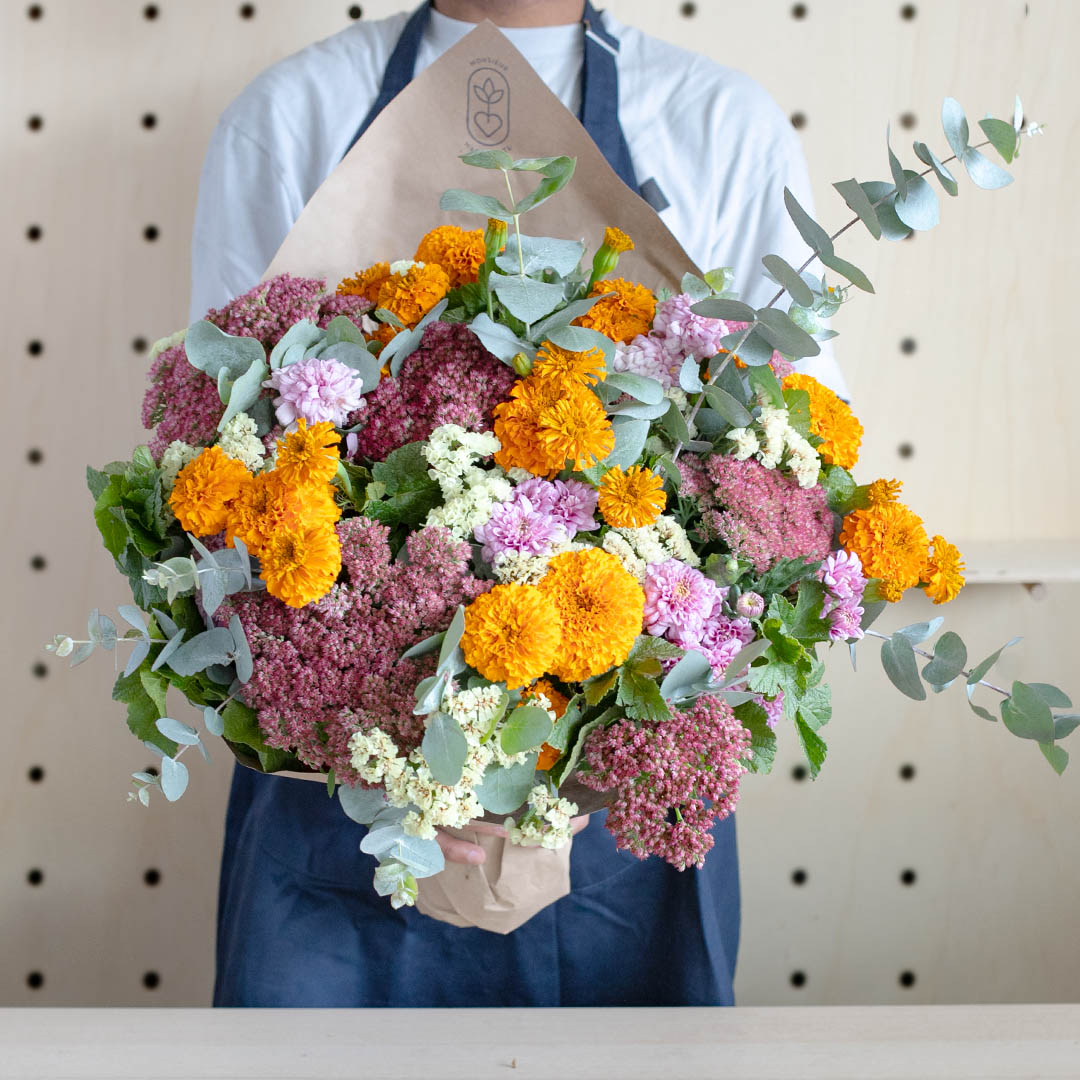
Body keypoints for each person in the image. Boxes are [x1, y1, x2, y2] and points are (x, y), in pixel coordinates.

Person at [192, 0, 847, 1008]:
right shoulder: (289, 120)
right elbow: (208, 481)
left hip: (619, 828)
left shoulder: (720, 126)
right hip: (336, 817)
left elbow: (791, 484)